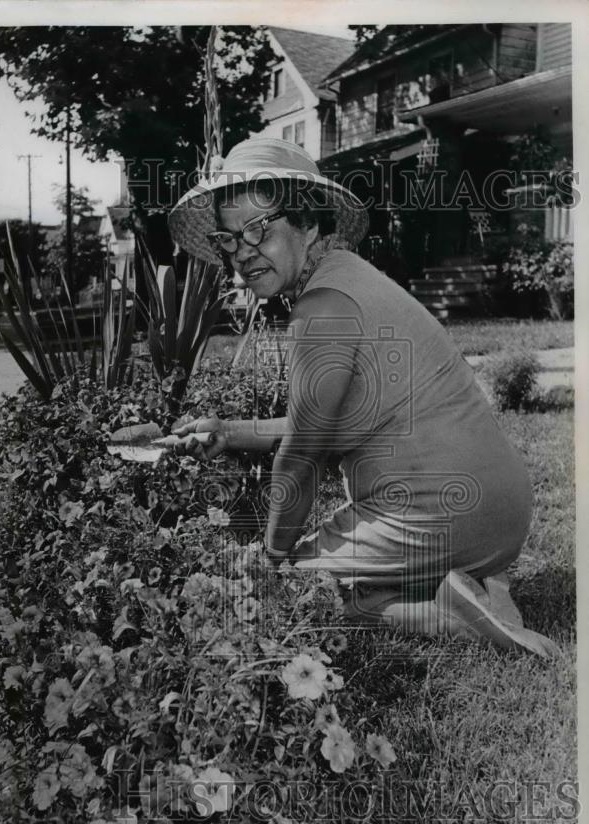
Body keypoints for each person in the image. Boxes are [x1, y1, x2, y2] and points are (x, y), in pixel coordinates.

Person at [167, 137, 558, 659]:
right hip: (498, 512)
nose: (242, 253)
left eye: (259, 229)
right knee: (328, 581)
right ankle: (472, 588)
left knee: (288, 595)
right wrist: (227, 430)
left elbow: (302, 455)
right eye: (229, 238)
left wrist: (274, 559)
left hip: (437, 512)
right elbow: (323, 424)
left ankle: (450, 618)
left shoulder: (321, 308)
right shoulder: (350, 277)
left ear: (307, 222)